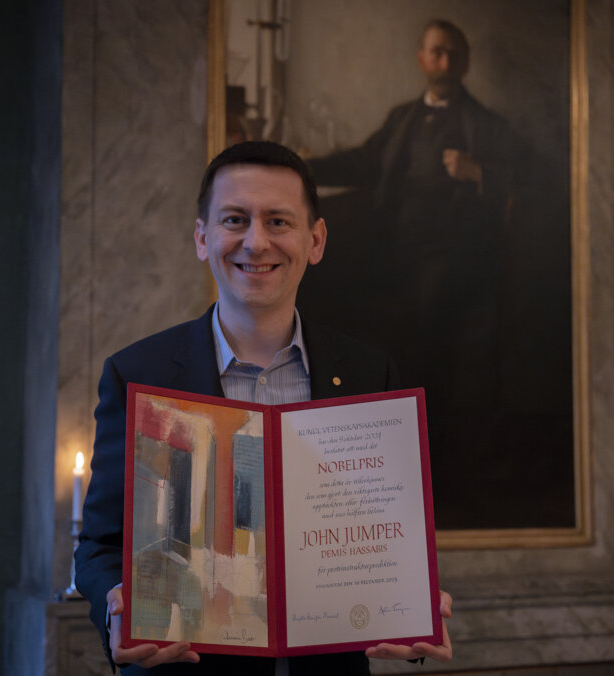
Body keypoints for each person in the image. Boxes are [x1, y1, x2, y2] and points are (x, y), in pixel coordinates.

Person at [74, 141, 452, 674]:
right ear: (202, 238)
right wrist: (117, 603)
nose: (256, 241)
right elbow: (98, 547)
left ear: (314, 240)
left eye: (278, 221)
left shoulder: (370, 374)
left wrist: (412, 600)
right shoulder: (139, 375)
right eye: (235, 219)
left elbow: (382, 540)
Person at [303, 19, 517, 527]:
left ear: (463, 64)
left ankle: (438, 484)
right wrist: (302, 169)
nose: (443, 62)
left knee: (430, 357)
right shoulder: (402, 119)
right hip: (391, 259)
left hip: (455, 266)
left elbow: (535, 183)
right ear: (421, 59)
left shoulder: (486, 127)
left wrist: (480, 174)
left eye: (452, 54)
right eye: (435, 53)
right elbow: (362, 162)